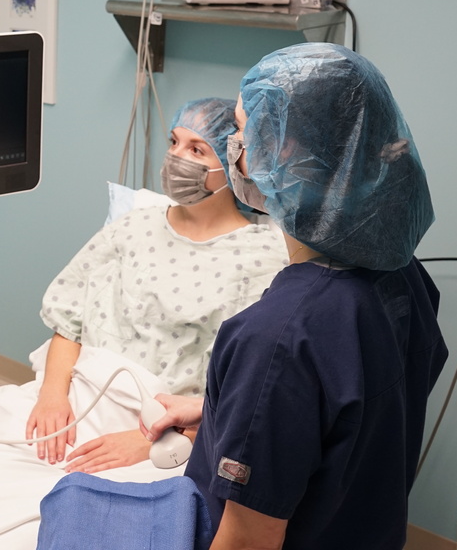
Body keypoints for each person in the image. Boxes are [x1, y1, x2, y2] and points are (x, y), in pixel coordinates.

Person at [143, 43, 448, 550]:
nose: (232, 143)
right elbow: (353, 415)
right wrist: (225, 412)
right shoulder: (403, 276)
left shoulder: (278, 337)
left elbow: (246, 542)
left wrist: (261, 394)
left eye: (240, 130)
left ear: (289, 154)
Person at [27, 97, 288, 472]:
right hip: (78, 395)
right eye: (174, 142)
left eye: (197, 149)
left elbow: (249, 383)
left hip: (171, 429)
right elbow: (68, 319)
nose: (177, 157)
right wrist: (51, 396)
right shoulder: (133, 227)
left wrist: (162, 437)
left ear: (233, 163)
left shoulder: (264, 256)